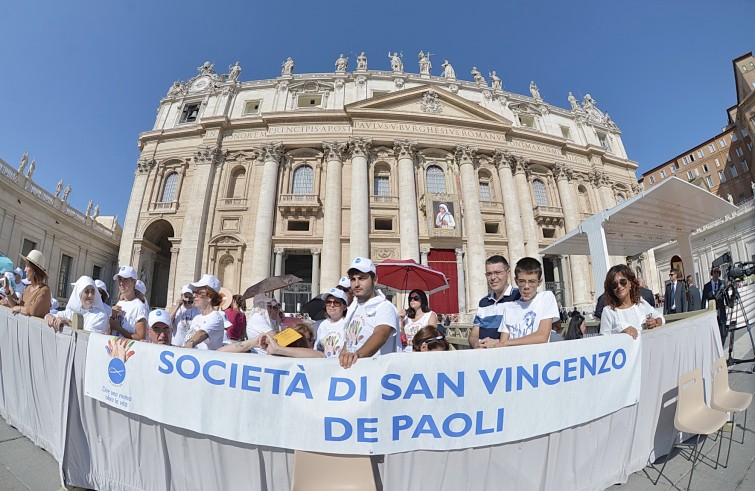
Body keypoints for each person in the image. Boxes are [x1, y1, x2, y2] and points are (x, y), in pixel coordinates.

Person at [339, 257, 400, 369]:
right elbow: (348, 341)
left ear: (375, 280)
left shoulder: (384, 307)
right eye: (353, 279)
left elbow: (381, 334)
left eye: (362, 278)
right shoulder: (353, 307)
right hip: (353, 372)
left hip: (375, 375)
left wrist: (357, 356)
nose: (356, 284)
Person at [496, 257, 560, 347]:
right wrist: (503, 343)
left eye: (532, 282)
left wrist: (507, 343)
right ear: (516, 281)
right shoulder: (509, 308)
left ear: (539, 282)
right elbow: (502, 344)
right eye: (522, 281)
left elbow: (542, 337)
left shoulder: (546, 297)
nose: (526, 286)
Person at [469, 255, 520, 349]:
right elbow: (474, 334)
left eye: (497, 272)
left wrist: (499, 343)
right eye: (489, 274)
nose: (493, 278)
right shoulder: (483, 302)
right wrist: (477, 345)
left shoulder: (519, 297)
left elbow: (526, 332)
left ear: (508, 273)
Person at [600, 264, 663, 338]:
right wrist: (621, 333)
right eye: (614, 285)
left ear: (630, 283)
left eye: (622, 281)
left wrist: (655, 322)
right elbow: (603, 340)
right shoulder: (608, 311)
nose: (619, 286)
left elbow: (661, 318)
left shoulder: (641, 304)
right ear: (611, 290)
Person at [183, 274, 225, 350]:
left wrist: (191, 343)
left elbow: (203, 333)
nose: (194, 295)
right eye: (194, 292)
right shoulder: (196, 318)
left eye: (198, 292)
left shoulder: (216, 318)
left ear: (210, 296)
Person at [6, 250, 51, 318]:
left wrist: (19, 309)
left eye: (27, 266)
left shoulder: (44, 290)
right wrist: (7, 292)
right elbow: (16, 306)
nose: (24, 270)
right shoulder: (27, 288)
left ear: (35, 270)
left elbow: (33, 310)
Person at [109, 265, 149, 340]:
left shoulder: (139, 307)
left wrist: (118, 328)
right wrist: (111, 317)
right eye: (120, 279)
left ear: (134, 282)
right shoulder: (120, 303)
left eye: (125, 280)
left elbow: (141, 338)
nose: (121, 283)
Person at [313, 288, 349, 358]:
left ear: (344, 307)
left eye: (336, 302)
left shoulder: (348, 323)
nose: (332, 305)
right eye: (328, 302)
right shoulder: (322, 325)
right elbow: (317, 348)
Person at [702, 267, 728, 344]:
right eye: (714, 272)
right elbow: (703, 301)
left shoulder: (722, 283)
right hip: (712, 312)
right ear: (712, 273)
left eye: (718, 272)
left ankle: (722, 346)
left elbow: (726, 296)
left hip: (721, 311)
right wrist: (703, 312)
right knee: (714, 332)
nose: (716, 274)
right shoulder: (707, 286)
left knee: (723, 331)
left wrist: (729, 303)